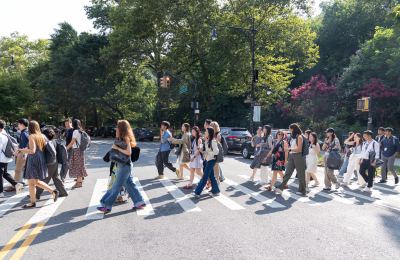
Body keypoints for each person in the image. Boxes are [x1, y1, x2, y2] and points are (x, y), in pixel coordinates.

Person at [97, 120, 146, 213]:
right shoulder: (121, 138)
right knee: (130, 185)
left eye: (118, 127)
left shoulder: (126, 138)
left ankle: (106, 205)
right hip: (125, 165)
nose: (116, 129)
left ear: (122, 128)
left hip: (125, 166)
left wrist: (117, 148)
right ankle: (139, 202)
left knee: (116, 186)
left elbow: (128, 152)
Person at [18, 120, 59, 208]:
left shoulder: (32, 136)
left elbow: (32, 151)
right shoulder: (42, 136)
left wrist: (20, 150)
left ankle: (32, 202)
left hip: (33, 160)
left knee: (31, 182)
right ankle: (53, 191)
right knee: (35, 181)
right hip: (41, 159)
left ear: (30, 128)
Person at [273, 124, 307, 195]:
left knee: (301, 175)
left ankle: (302, 190)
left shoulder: (299, 137)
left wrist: (289, 149)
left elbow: (299, 149)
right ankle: (280, 188)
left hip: (298, 156)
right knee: (287, 173)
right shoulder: (292, 137)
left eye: (290, 129)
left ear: (293, 129)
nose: (289, 130)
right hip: (291, 156)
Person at [35, 128, 68, 199]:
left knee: (44, 179)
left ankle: (36, 194)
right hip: (54, 161)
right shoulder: (53, 141)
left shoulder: (47, 142)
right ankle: (63, 192)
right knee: (56, 177)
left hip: (49, 162)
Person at [191, 127, 220, 197]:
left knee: (204, 176)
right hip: (207, 160)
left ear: (209, 133)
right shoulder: (207, 141)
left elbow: (216, 151)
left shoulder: (213, 141)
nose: (205, 133)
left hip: (211, 160)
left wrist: (208, 154)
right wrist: (202, 152)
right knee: (212, 176)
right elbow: (206, 152)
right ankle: (216, 191)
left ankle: (197, 192)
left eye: (206, 131)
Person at [0, 120, 23, 197]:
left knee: (1, 174)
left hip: (1, 158)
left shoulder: (0, 136)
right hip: (6, 157)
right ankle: (16, 184)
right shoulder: (6, 134)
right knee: (5, 174)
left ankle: (0, 192)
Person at [6, 118, 29, 192]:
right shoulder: (27, 132)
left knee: (17, 170)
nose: (18, 126)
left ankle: (14, 185)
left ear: (22, 124)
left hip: (23, 153)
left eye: (18, 124)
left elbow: (26, 146)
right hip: (25, 153)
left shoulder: (24, 133)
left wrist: (23, 156)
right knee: (23, 170)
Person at [65, 119, 88, 188]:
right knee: (79, 165)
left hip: (76, 150)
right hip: (81, 150)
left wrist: (65, 149)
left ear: (73, 124)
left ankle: (79, 182)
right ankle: (79, 181)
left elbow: (72, 142)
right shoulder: (81, 131)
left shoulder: (75, 131)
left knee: (77, 166)